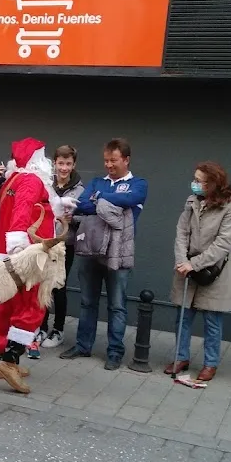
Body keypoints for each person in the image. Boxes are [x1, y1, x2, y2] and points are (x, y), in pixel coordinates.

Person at [61, 138, 148, 370]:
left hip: (118, 252)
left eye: (114, 160)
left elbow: (131, 199)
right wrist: (102, 202)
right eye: (106, 161)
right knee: (88, 301)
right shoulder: (98, 181)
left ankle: (115, 352)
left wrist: (97, 199)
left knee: (117, 305)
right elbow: (81, 205)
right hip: (90, 249)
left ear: (126, 160)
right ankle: (83, 345)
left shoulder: (138, 183)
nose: (109, 165)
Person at [0, 138, 58, 392]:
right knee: (32, 304)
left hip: (5, 252)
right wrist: (19, 244)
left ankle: (0, 357)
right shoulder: (32, 180)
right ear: (36, 159)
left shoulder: (13, 179)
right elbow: (23, 210)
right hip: (27, 253)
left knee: (6, 305)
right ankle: (10, 360)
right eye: (43, 155)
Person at [164, 163, 231, 382]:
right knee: (182, 316)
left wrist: (195, 263)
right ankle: (181, 357)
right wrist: (182, 260)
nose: (194, 184)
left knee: (212, 320)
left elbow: (223, 243)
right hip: (187, 266)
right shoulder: (192, 201)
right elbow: (181, 232)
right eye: (194, 179)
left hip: (215, 269)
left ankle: (210, 363)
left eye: (199, 181)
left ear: (213, 184)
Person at [32, 146, 85, 353]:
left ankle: (58, 329)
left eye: (68, 164)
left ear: (74, 165)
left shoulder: (80, 189)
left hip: (65, 245)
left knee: (58, 285)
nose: (64, 168)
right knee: (41, 284)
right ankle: (41, 326)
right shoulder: (46, 183)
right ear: (54, 163)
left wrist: (73, 219)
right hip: (44, 242)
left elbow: (86, 216)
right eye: (60, 163)